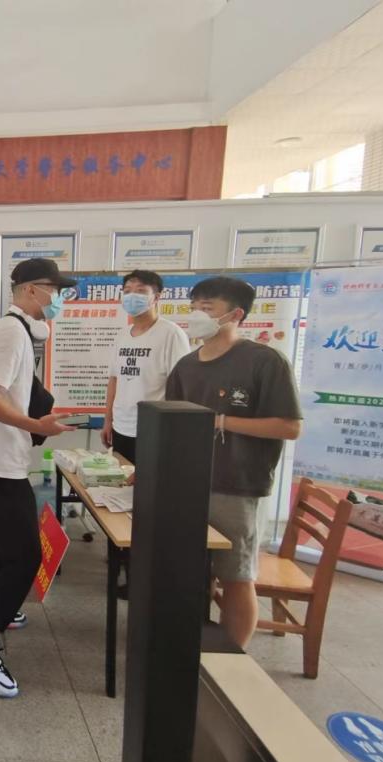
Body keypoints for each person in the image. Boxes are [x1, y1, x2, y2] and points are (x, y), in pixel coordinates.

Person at [0, 258, 76, 698]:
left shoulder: (10, 329)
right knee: (25, 557)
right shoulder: (10, 331)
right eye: (55, 290)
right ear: (30, 290)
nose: (58, 299)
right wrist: (33, 425)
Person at [165, 276, 302, 649]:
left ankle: (231, 657)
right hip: (189, 485)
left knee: (236, 576)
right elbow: (171, 424)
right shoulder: (186, 366)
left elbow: (289, 426)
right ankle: (193, 646)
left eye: (207, 308)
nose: (197, 314)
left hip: (237, 485)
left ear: (236, 314)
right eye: (194, 307)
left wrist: (221, 421)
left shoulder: (264, 361)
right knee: (193, 572)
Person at [101, 269, 190, 598]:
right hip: (122, 426)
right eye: (127, 290)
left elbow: (180, 386)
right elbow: (114, 378)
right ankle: (125, 560)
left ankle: (145, 575)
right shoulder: (123, 334)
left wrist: (170, 434)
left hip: (153, 431)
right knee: (123, 499)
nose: (132, 295)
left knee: (149, 504)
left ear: (157, 296)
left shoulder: (171, 334)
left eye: (140, 290)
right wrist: (107, 419)